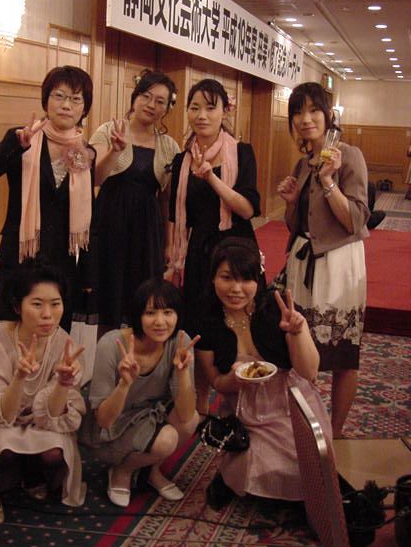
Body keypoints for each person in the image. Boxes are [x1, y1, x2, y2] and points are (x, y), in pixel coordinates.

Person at [195, 237, 332, 509]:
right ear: (212, 278)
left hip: (289, 399)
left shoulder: (275, 309)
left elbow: (309, 371)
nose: (236, 289)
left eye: (245, 279)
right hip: (245, 406)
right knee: (255, 465)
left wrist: (298, 332)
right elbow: (216, 381)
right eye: (227, 278)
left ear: (258, 279)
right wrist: (235, 379)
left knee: (306, 463)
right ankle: (230, 475)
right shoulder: (206, 320)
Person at [0, 261, 87, 524]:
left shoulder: (64, 343)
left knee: (54, 452)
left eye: (55, 303)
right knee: (3, 446)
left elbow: (53, 417)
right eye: (37, 304)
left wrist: (63, 383)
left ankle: (31, 468)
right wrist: (19, 378)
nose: (47, 314)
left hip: (39, 422)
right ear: (17, 306)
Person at [0, 65, 94, 331]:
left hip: (61, 265)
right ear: (46, 100)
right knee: (10, 335)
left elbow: (86, 214)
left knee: (55, 340)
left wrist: (85, 273)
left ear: (84, 108)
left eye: (76, 99)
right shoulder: (21, 137)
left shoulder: (84, 151)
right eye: (59, 96)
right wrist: (16, 148)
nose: (66, 105)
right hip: (19, 258)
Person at [277, 81, 369, 438]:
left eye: (314, 110)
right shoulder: (302, 164)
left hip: (339, 264)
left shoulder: (350, 156)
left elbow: (355, 220)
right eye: (298, 112)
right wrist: (290, 203)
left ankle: (336, 431)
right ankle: (308, 428)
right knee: (302, 349)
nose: (306, 119)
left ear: (328, 114)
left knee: (344, 355)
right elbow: (297, 226)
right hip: (303, 265)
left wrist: (329, 183)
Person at [169, 78, 261, 413]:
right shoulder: (181, 161)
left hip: (236, 249)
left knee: (241, 321)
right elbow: (175, 216)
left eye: (210, 107)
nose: (202, 115)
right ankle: (201, 404)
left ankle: (247, 398)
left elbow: (247, 209)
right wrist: (172, 260)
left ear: (225, 112)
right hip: (200, 253)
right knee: (201, 325)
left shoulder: (242, 152)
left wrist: (211, 177)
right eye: (194, 108)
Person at [82, 278, 199, 508]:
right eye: (150, 313)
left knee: (192, 419)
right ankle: (122, 470)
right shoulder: (112, 344)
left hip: (150, 418)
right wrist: (124, 384)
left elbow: (186, 414)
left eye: (168, 312)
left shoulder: (180, 341)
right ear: (137, 315)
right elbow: (103, 420)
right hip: (111, 428)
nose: (160, 322)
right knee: (167, 440)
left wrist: (183, 372)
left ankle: (150, 470)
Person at [90, 70, 180, 330]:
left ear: (167, 108)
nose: (151, 105)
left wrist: (168, 243)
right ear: (135, 97)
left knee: (143, 299)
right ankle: (109, 352)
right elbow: (95, 178)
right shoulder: (108, 131)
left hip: (147, 231)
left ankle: (140, 352)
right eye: (146, 96)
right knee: (109, 297)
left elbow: (167, 201)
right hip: (109, 224)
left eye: (160, 101)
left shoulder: (169, 146)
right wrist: (114, 151)